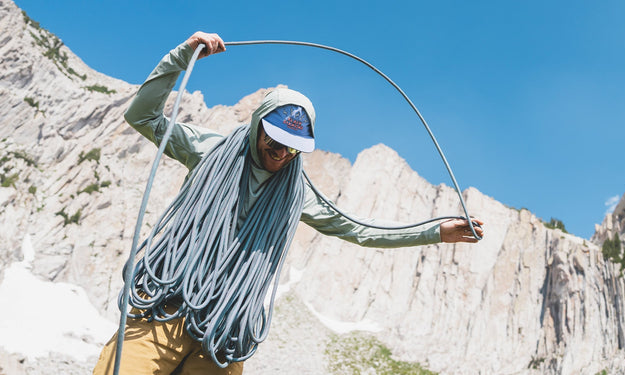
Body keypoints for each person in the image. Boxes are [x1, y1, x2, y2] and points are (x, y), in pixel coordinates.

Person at [93, 31, 484, 375]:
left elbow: (359, 230)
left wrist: (434, 232)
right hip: (167, 311)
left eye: (293, 148)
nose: (281, 154)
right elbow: (142, 116)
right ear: (258, 125)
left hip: (223, 331)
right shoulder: (209, 150)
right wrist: (181, 56)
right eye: (275, 141)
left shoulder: (299, 193)